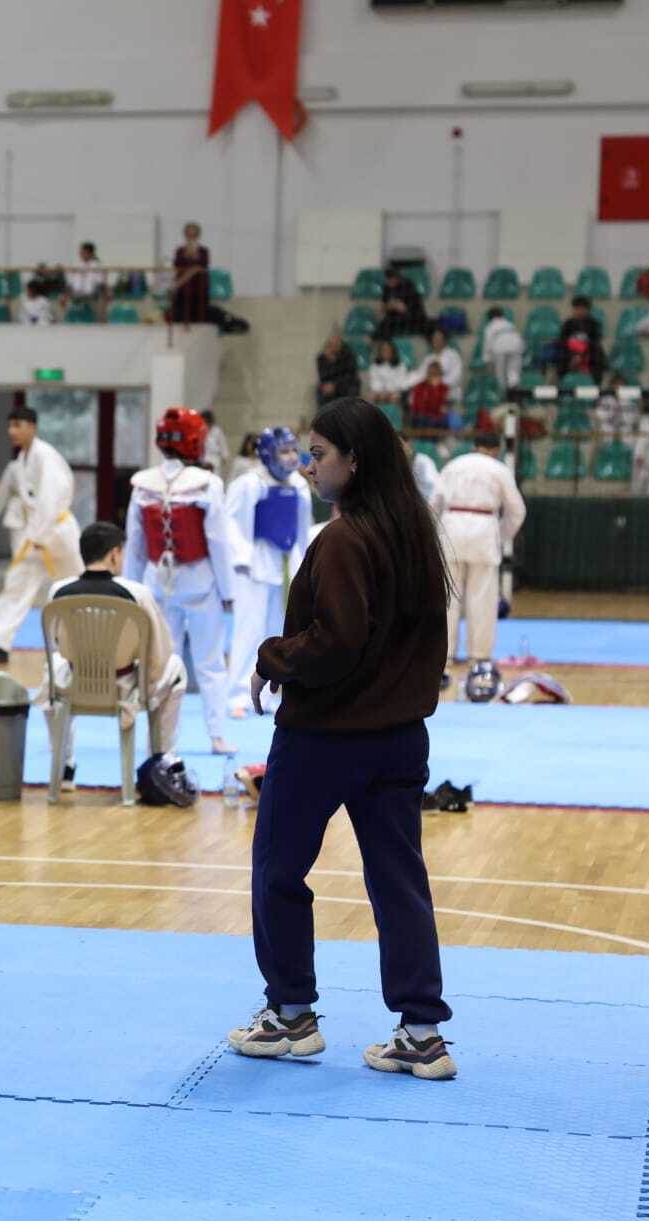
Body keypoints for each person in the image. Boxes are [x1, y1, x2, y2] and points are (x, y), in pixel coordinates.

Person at [229, 396, 456, 1079]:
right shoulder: (413, 535)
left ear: (354, 461)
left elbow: (337, 642)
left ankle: (290, 1015)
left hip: (326, 737)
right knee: (398, 882)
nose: (306, 465)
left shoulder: (342, 539)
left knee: (277, 869)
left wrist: (272, 657)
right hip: (399, 740)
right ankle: (422, 1031)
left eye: (319, 454)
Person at [126, 407, 238, 753]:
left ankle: (158, 741)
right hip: (201, 583)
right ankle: (217, 736)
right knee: (210, 664)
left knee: (161, 665)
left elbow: (135, 546)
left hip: (157, 585)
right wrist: (228, 591)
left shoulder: (143, 484)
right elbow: (218, 542)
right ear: (196, 442)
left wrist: (130, 590)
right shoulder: (207, 484)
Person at [43, 520, 187, 769]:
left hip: (75, 684)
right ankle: (160, 763)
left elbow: (55, 641)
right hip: (125, 686)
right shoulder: (137, 593)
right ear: (114, 554)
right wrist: (147, 678)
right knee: (175, 669)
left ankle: (63, 765)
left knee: (52, 670)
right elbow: (160, 650)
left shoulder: (58, 591)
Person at [0, 404, 82, 667]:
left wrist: (37, 533)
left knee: (77, 588)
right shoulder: (20, 461)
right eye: (10, 426)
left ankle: (89, 642)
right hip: (34, 534)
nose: (12, 431)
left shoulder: (46, 456)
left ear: (32, 427)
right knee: (16, 583)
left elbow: (52, 498)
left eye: (17, 425)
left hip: (57, 532)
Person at [225, 427, 312, 719]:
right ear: (266, 455)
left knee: (281, 631)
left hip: (287, 563)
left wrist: (306, 561)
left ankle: (275, 692)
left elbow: (303, 529)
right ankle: (238, 693)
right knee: (248, 630)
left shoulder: (299, 485)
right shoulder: (249, 484)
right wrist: (243, 558)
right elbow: (232, 523)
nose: (289, 458)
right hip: (255, 563)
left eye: (292, 451)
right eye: (283, 452)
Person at [432, 428, 526, 697]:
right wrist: (501, 536)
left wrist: (436, 533)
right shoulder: (499, 470)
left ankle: (443, 661)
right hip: (484, 530)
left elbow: (433, 503)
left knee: (448, 599)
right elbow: (517, 511)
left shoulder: (453, 466)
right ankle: (480, 660)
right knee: (481, 600)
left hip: (450, 528)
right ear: (496, 448)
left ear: (474, 445)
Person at [167, 222, 210, 324]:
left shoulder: (203, 251)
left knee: (199, 319)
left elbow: (203, 265)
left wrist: (194, 256)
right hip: (183, 289)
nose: (191, 237)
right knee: (180, 316)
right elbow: (178, 264)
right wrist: (189, 257)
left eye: (194, 234)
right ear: (185, 235)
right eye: (189, 234)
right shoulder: (180, 250)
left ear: (198, 235)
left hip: (198, 289)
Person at [479, 307, 523, 390]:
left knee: (500, 373)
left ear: (489, 317)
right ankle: (514, 390)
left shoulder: (490, 326)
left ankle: (503, 393)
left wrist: (487, 360)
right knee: (513, 371)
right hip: (516, 345)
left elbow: (487, 344)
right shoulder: (510, 324)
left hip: (500, 346)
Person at [416, 328, 463, 405]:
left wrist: (438, 384)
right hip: (430, 393)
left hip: (449, 393)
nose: (437, 341)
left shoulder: (453, 355)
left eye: (439, 338)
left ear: (444, 340)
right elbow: (421, 375)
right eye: (435, 338)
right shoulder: (428, 358)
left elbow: (456, 376)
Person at [404, 361, 451, 430]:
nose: (433, 376)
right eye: (431, 373)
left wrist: (435, 389)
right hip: (423, 417)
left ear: (440, 374)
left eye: (435, 373)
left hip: (438, 417)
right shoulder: (420, 386)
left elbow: (441, 406)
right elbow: (418, 406)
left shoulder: (444, 388)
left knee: (443, 420)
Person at [316, 334, 360, 402]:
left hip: (346, 383)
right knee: (321, 390)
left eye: (336, 344)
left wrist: (335, 385)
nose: (334, 346)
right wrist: (329, 362)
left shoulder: (349, 355)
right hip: (330, 384)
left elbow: (350, 375)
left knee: (351, 388)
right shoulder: (322, 358)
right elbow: (323, 377)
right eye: (331, 344)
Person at [69, 241, 107, 314]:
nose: (80, 253)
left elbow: (100, 283)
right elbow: (71, 283)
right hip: (76, 295)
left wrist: (96, 294)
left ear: (89, 253)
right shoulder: (78, 265)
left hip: (91, 296)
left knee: (99, 303)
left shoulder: (97, 266)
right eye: (80, 251)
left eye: (82, 251)